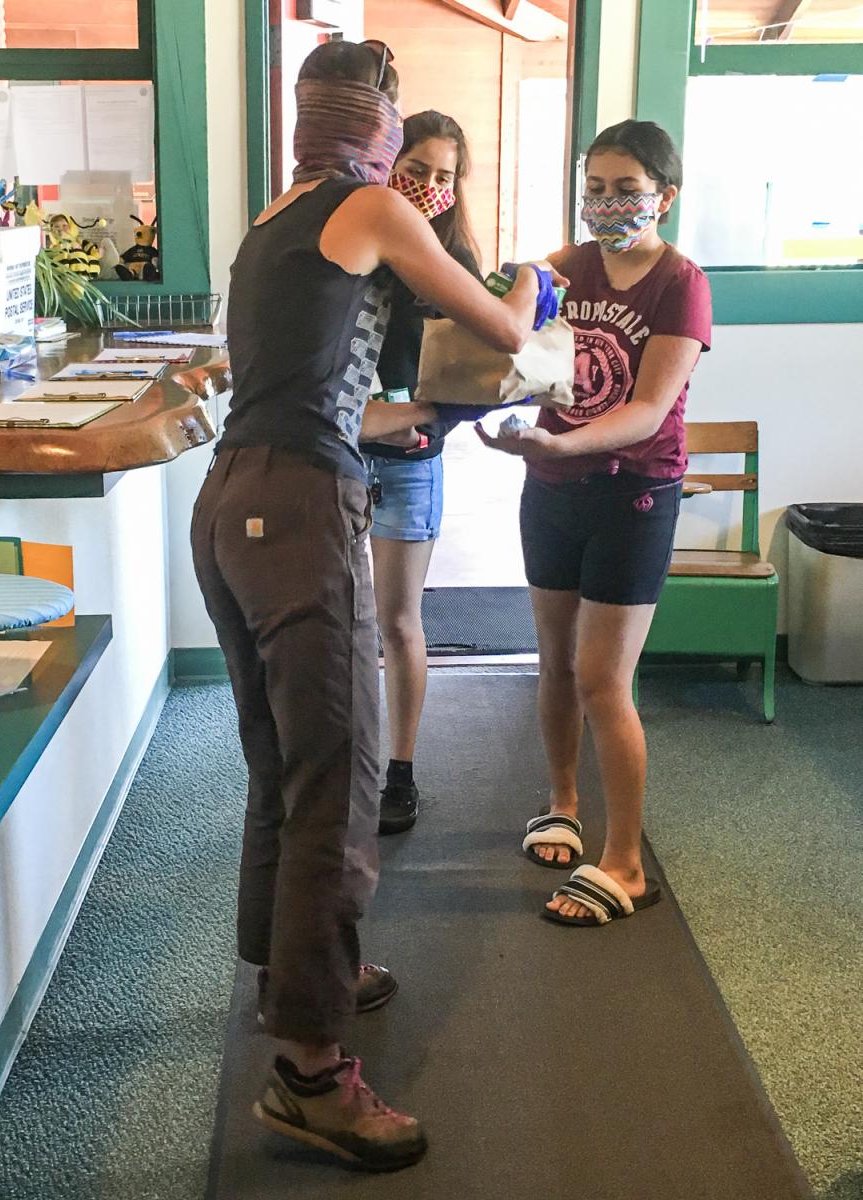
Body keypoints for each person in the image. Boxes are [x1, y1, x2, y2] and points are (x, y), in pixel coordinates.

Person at [190, 39, 563, 1170]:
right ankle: (311, 1075)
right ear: (378, 123)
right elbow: (505, 330)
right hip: (299, 514)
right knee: (340, 784)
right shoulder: (369, 205)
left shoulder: (274, 215)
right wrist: (536, 281)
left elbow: (324, 391)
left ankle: (301, 976)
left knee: (282, 768)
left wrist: (427, 415)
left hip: (231, 503)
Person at [477, 119, 712, 929]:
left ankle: (626, 864)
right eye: (596, 188)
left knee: (601, 680)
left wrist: (560, 442)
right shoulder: (565, 266)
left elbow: (648, 410)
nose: (608, 204)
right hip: (551, 488)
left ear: (664, 197)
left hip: (633, 494)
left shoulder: (681, 283)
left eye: (627, 190)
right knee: (553, 664)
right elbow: (506, 334)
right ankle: (563, 804)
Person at [359, 110, 482, 835]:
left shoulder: (453, 266)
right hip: (337, 457)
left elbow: (477, 379)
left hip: (409, 464)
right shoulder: (352, 244)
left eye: (444, 176)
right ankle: (345, 760)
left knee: (399, 620)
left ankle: (399, 772)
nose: (430, 186)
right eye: (416, 170)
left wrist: (420, 422)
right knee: (341, 619)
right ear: (388, 164)